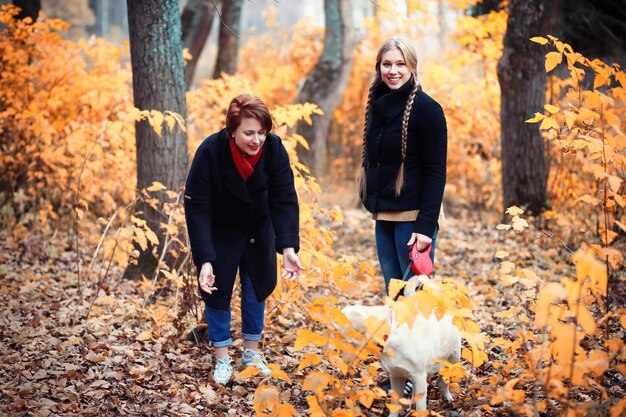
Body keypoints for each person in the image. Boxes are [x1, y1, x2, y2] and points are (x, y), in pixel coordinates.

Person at [184, 94, 304, 385]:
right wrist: (205, 259)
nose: (256, 139)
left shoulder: (274, 149)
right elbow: (197, 206)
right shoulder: (211, 151)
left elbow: (284, 198)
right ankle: (222, 358)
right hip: (220, 231)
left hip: (257, 229)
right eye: (249, 133)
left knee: (256, 287)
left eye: (262, 132)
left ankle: (251, 354)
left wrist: (287, 246)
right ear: (232, 130)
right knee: (216, 289)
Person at [359, 37, 447, 293]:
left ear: (412, 67)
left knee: (415, 295)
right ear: (379, 67)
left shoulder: (428, 110)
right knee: (394, 293)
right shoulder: (376, 106)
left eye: (400, 64)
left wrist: (425, 227)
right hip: (384, 213)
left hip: (414, 218)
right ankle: (396, 334)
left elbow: (436, 171)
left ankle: (425, 335)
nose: (393, 71)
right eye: (387, 64)